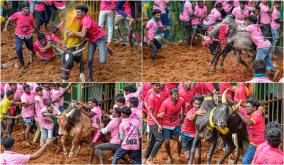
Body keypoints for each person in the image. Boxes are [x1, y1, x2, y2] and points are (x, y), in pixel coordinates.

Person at [67, 5, 108, 81]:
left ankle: (105, 46)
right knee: (89, 60)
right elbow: (70, 24)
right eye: (77, 12)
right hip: (91, 39)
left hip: (99, 38)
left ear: (84, 12)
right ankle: (90, 77)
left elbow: (82, 34)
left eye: (79, 12)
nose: (77, 13)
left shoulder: (86, 20)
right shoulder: (78, 17)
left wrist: (72, 32)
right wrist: (68, 30)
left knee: (102, 61)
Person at [239, 15, 279, 79]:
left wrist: (236, 27)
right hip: (267, 44)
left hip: (262, 46)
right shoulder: (256, 25)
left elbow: (240, 29)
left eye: (247, 20)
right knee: (268, 61)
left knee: (257, 63)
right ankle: (274, 71)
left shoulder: (251, 26)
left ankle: (257, 77)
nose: (247, 21)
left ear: (251, 21)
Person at [3, 2, 37, 71]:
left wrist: (37, 30)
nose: (28, 9)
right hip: (19, 35)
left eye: (28, 8)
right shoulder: (17, 14)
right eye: (26, 8)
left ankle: (33, 53)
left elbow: (33, 24)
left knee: (30, 47)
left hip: (28, 35)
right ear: (22, 9)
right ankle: (22, 64)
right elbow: (9, 19)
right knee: (18, 50)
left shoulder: (30, 16)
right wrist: (5, 28)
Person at [234, 98, 265, 164]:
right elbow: (235, 104)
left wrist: (237, 112)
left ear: (254, 108)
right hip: (254, 143)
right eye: (246, 107)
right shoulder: (247, 112)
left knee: (246, 161)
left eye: (248, 107)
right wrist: (226, 98)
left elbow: (249, 123)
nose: (246, 108)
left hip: (259, 144)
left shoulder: (257, 114)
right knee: (247, 160)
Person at [157, 88, 185, 163]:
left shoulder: (181, 100)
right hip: (165, 125)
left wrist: (182, 116)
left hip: (176, 123)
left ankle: (179, 155)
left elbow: (183, 106)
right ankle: (170, 156)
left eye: (178, 94)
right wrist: (160, 116)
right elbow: (159, 114)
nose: (177, 96)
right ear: (170, 95)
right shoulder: (165, 103)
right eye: (175, 95)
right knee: (167, 142)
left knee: (180, 140)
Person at [77, 98, 104, 164]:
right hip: (97, 128)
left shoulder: (95, 109)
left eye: (90, 103)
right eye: (89, 103)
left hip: (98, 129)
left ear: (94, 103)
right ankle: (115, 152)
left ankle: (90, 162)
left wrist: (81, 109)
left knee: (92, 145)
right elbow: (88, 107)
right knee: (105, 141)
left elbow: (89, 115)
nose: (89, 104)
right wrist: (81, 104)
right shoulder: (96, 107)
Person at [143, 83, 165, 164]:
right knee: (160, 139)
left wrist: (160, 114)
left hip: (158, 120)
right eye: (156, 86)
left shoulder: (160, 94)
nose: (158, 87)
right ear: (152, 86)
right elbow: (150, 113)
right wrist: (158, 124)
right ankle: (150, 159)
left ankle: (144, 159)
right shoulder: (152, 97)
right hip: (153, 121)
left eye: (159, 85)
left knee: (152, 141)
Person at [181, 94, 205, 163]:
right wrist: (196, 113)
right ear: (193, 103)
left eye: (199, 104)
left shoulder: (204, 111)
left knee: (197, 157)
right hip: (186, 136)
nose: (197, 106)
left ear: (202, 103)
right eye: (196, 104)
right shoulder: (191, 111)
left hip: (196, 136)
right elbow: (191, 118)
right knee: (188, 157)